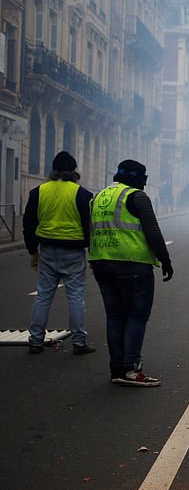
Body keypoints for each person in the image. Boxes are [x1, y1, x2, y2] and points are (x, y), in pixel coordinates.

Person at [89, 160, 173, 386]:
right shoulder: (137, 197)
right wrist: (165, 260)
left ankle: (117, 369)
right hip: (132, 265)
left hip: (101, 264)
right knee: (136, 316)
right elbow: (153, 232)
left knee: (115, 316)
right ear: (137, 177)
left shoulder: (98, 197)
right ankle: (131, 369)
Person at [22, 151, 95, 355]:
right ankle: (79, 342)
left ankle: (35, 341)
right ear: (74, 171)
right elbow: (89, 227)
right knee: (76, 296)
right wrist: (92, 253)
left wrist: (32, 251)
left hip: (47, 250)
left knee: (43, 296)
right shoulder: (82, 194)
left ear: (53, 170)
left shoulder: (38, 192)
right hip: (73, 251)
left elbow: (28, 224)